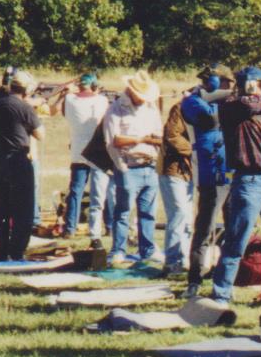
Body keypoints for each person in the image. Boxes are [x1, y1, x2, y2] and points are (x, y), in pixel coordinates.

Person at [205, 67, 261, 334]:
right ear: (252, 85)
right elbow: (244, 106)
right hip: (248, 180)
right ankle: (220, 296)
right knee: (236, 242)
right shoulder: (232, 105)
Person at [181, 64, 234, 297]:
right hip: (211, 173)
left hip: (231, 170)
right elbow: (209, 120)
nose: (228, 87)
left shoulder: (221, 101)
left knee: (234, 229)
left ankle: (225, 279)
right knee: (205, 229)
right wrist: (235, 98)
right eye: (225, 83)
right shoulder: (192, 101)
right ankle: (194, 279)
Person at [103, 70, 163, 267]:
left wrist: (154, 147)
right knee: (123, 211)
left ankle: (147, 249)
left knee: (148, 212)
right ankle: (118, 250)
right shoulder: (115, 109)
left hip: (150, 165)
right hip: (129, 165)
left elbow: (158, 135)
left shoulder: (151, 108)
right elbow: (112, 141)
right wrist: (122, 166)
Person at [0, 69, 44, 261]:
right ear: (27, 90)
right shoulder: (25, 108)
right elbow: (40, 134)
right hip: (19, 160)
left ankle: (2, 249)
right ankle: (17, 250)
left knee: (1, 207)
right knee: (23, 209)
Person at [55, 73, 111, 246]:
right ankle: (109, 226)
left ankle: (70, 228)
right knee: (102, 191)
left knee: (75, 191)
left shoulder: (70, 100)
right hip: (98, 150)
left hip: (78, 151)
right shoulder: (101, 100)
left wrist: (67, 90)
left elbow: (65, 105)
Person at [159, 89, 195, 276]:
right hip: (173, 168)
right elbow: (172, 135)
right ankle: (171, 261)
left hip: (188, 170)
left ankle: (183, 259)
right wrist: (196, 150)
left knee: (187, 218)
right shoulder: (180, 109)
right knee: (179, 214)